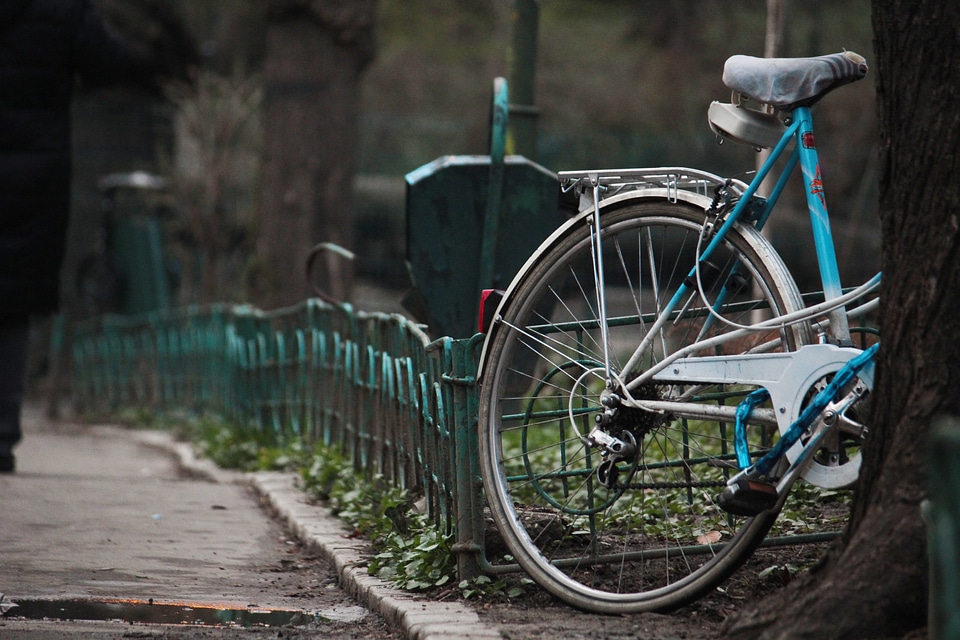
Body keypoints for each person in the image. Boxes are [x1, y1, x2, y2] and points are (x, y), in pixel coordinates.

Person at [0, 0, 157, 472]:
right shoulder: (61, 8)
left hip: (34, 163)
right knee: (13, 306)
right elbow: (106, 60)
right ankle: (1, 437)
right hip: (34, 171)